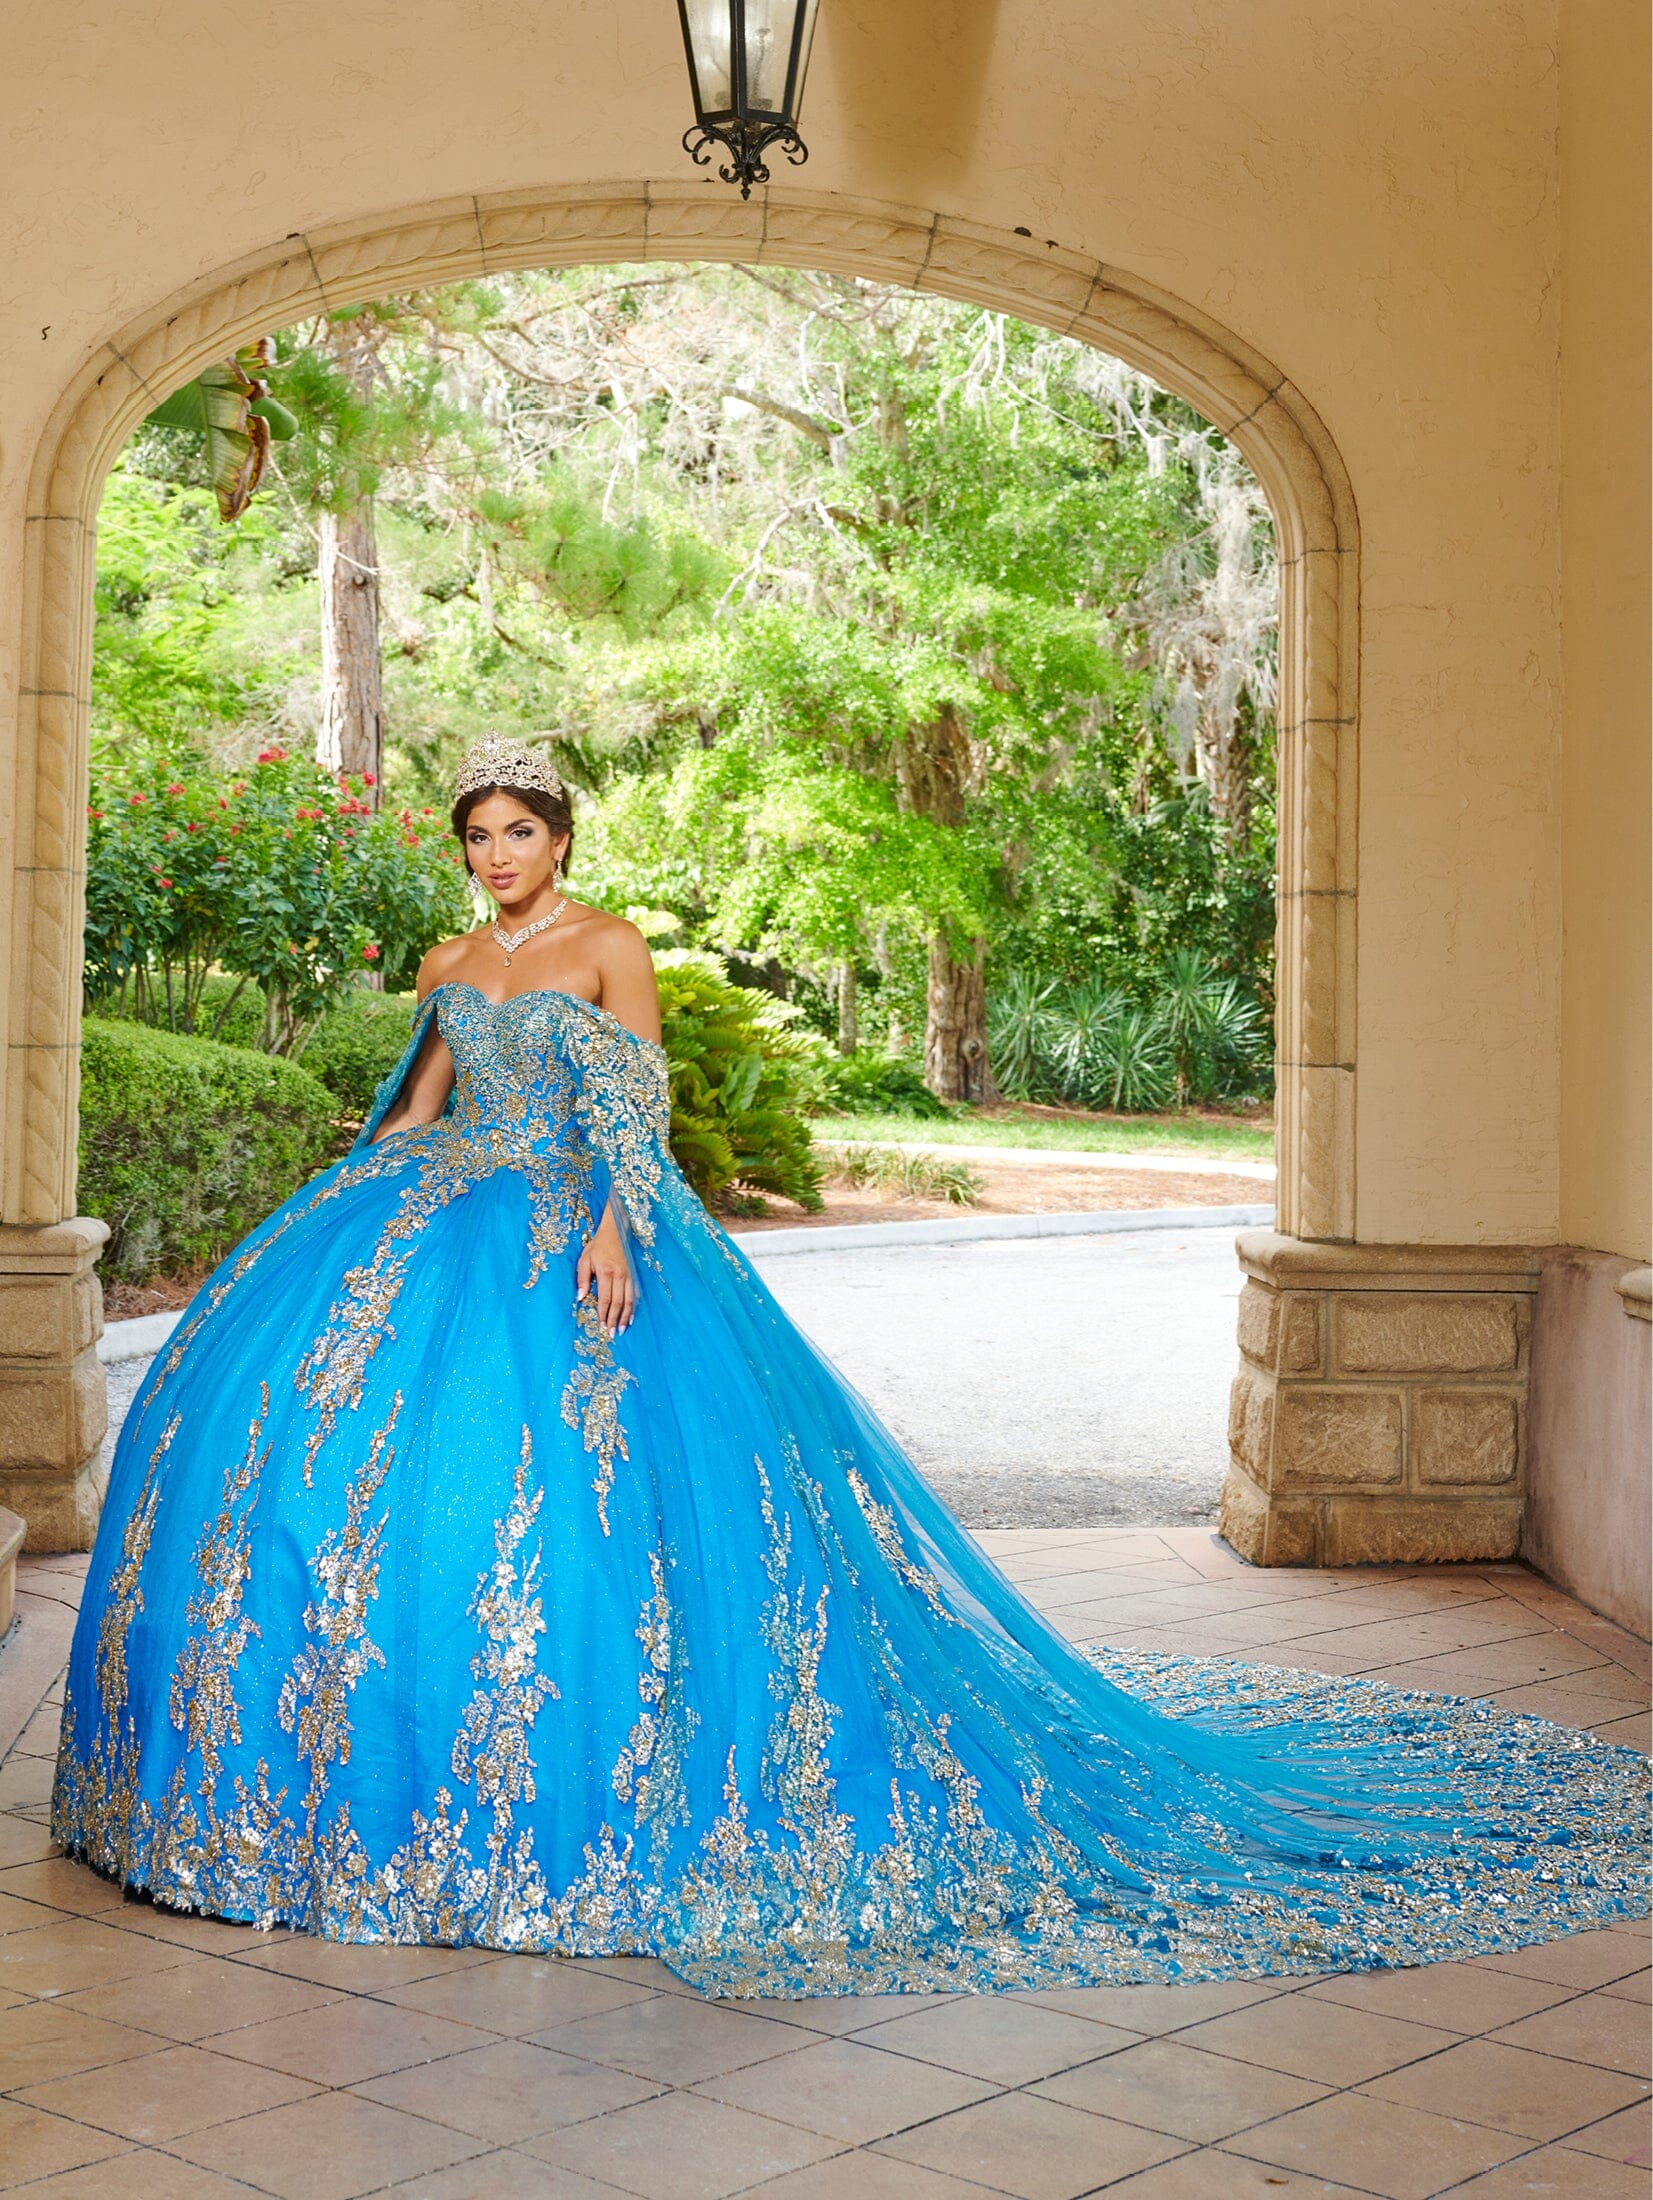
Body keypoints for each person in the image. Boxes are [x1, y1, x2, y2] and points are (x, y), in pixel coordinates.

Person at [54, 735, 1648, 1999]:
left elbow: (635, 1115)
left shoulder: (608, 953)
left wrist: (616, 1231)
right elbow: (416, 1107)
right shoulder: (446, 962)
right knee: (338, 1473)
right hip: (428, 1213)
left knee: (596, 1499)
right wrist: (336, 1198)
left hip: (567, 1225)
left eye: (518, 834)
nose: (495, 858)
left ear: (562, 841)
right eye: (476, 837)